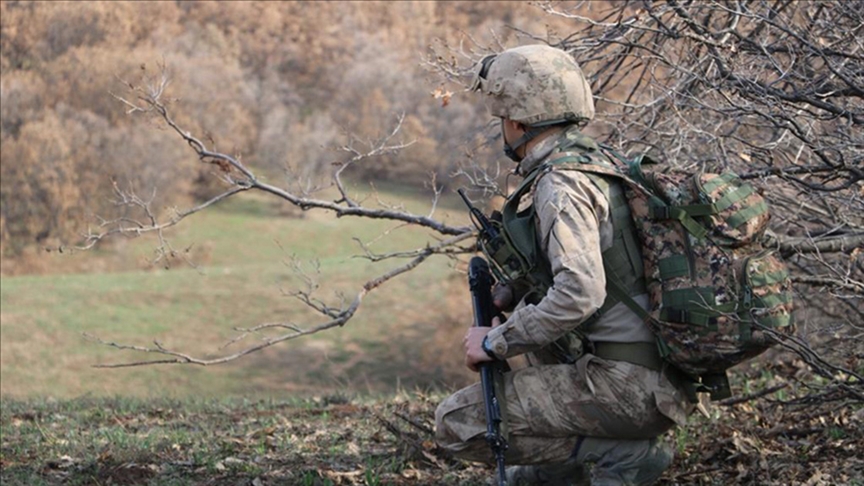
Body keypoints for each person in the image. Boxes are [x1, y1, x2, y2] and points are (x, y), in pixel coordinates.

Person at [435, 45, 694, 485]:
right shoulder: (601, 163)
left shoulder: (561, 185)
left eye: (502, 120)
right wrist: (515, 291)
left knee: (458, 423)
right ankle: (556, 475)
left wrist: (495, 341)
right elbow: (614, 268)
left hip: (627, 388)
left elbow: (580, 293)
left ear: (517, 121)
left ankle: (625, 454)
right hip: (660, 377)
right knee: (535, 351)